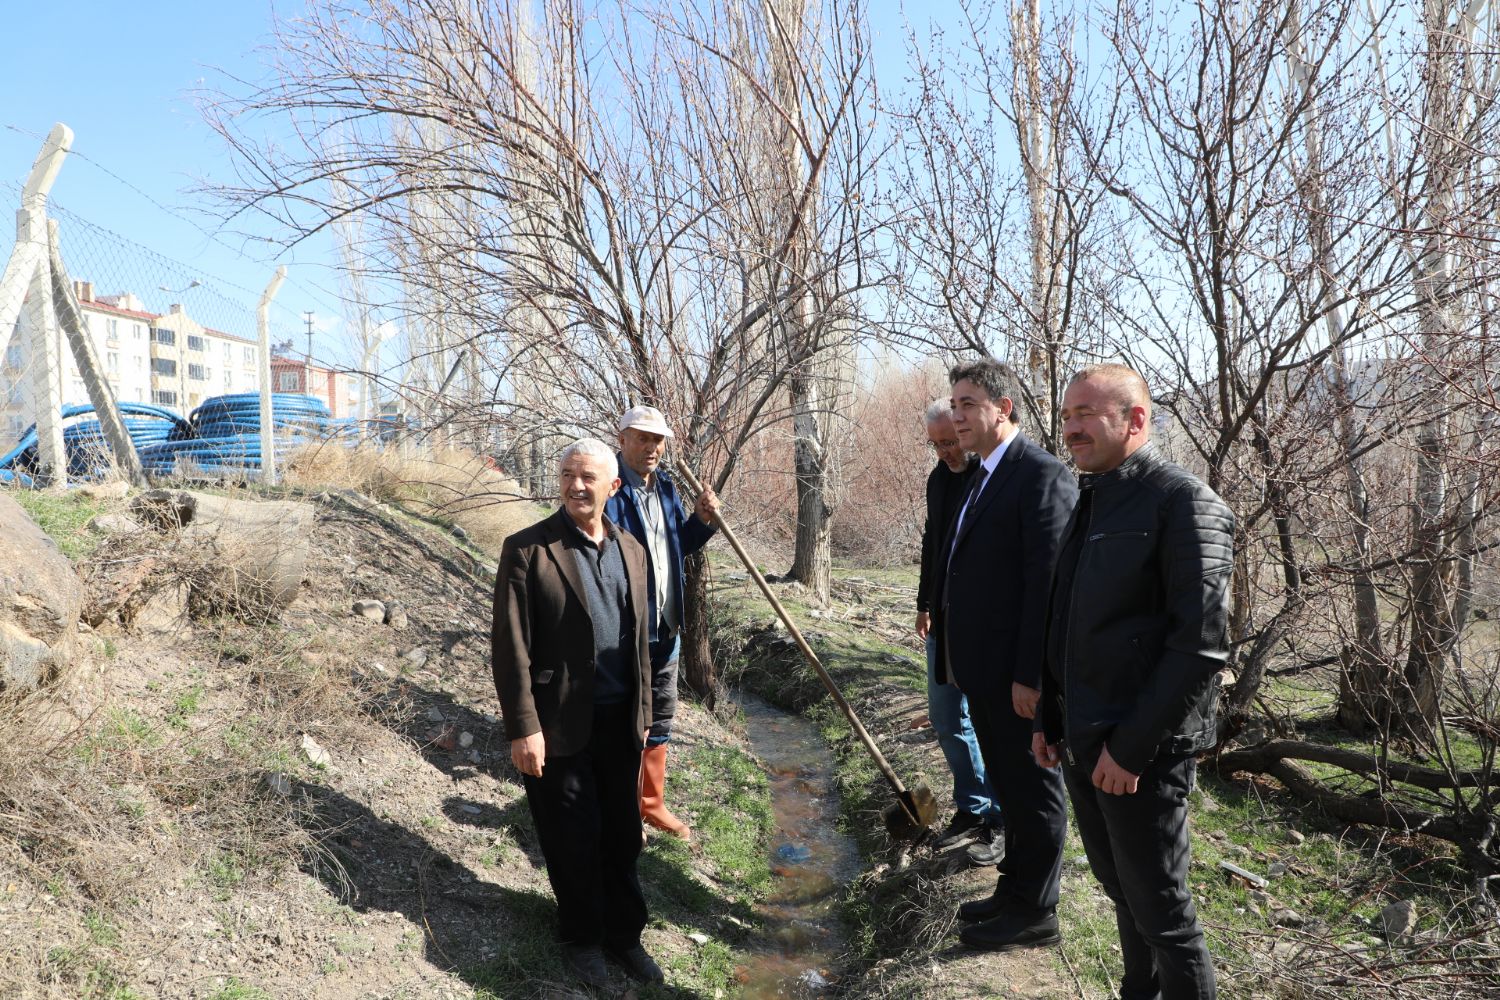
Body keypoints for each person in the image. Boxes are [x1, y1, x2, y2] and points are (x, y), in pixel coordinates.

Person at [1034, 364, 1231, 999]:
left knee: (1164, 914)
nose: (1071, 428)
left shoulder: (1184, 502)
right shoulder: (1091, 497)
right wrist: (1049, 718)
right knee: (1122, 891)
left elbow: (1200, 648)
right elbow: (1064, 619)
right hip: (1086, 740)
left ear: (1135, 419)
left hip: (1142, 753)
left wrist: (1131, 749)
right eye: (1067, 416)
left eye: (1085, 415)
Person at [491, 438, 667, 988]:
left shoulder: (631, 549)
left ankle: (624, 936)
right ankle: (583, 940)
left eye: (588, 476)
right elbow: (510, 648)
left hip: (620, 723)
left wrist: (645, 713)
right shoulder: (528, 550)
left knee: (622, 835)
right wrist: (524, 728)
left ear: (613, 486)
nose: (575, 485)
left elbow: (641, 643)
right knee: (572, 837)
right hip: (558, 725)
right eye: (568, 474)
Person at [935, 359, 1078, 951]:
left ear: (1004, 408)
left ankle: (1037, 911)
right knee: (1009, 786)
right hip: (984, 673)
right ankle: (1014, 890)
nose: (957, 416)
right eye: (954, 405)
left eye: (969, 404)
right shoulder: (983, 473)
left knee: (1034, 790)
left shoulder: (1040, 474)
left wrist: (1030, 676)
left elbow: (1047, 587)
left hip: (1017, 678)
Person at [603, 405, 719, 840]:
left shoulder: (666, 487)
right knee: (625, 719)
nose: (651, 447)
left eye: (658, 440)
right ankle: (622, 807)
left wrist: (701, 520)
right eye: (642, 438)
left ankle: (652, 804)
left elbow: (677, 545)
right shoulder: (608, 489)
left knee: (662, 714)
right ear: (622, 439)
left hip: (666, 627)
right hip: (626, 630)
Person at [915, 400, 1004, 865]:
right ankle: (972, 808)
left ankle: (1001, 818)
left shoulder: (990, 479)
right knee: (946, 717)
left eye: (949, 442)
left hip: (983, 625)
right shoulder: (938, 479)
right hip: (943, 618)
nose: (944, 452)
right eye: (935, 445)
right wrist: (924, 603)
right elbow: (932, 543)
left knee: (991, 724)